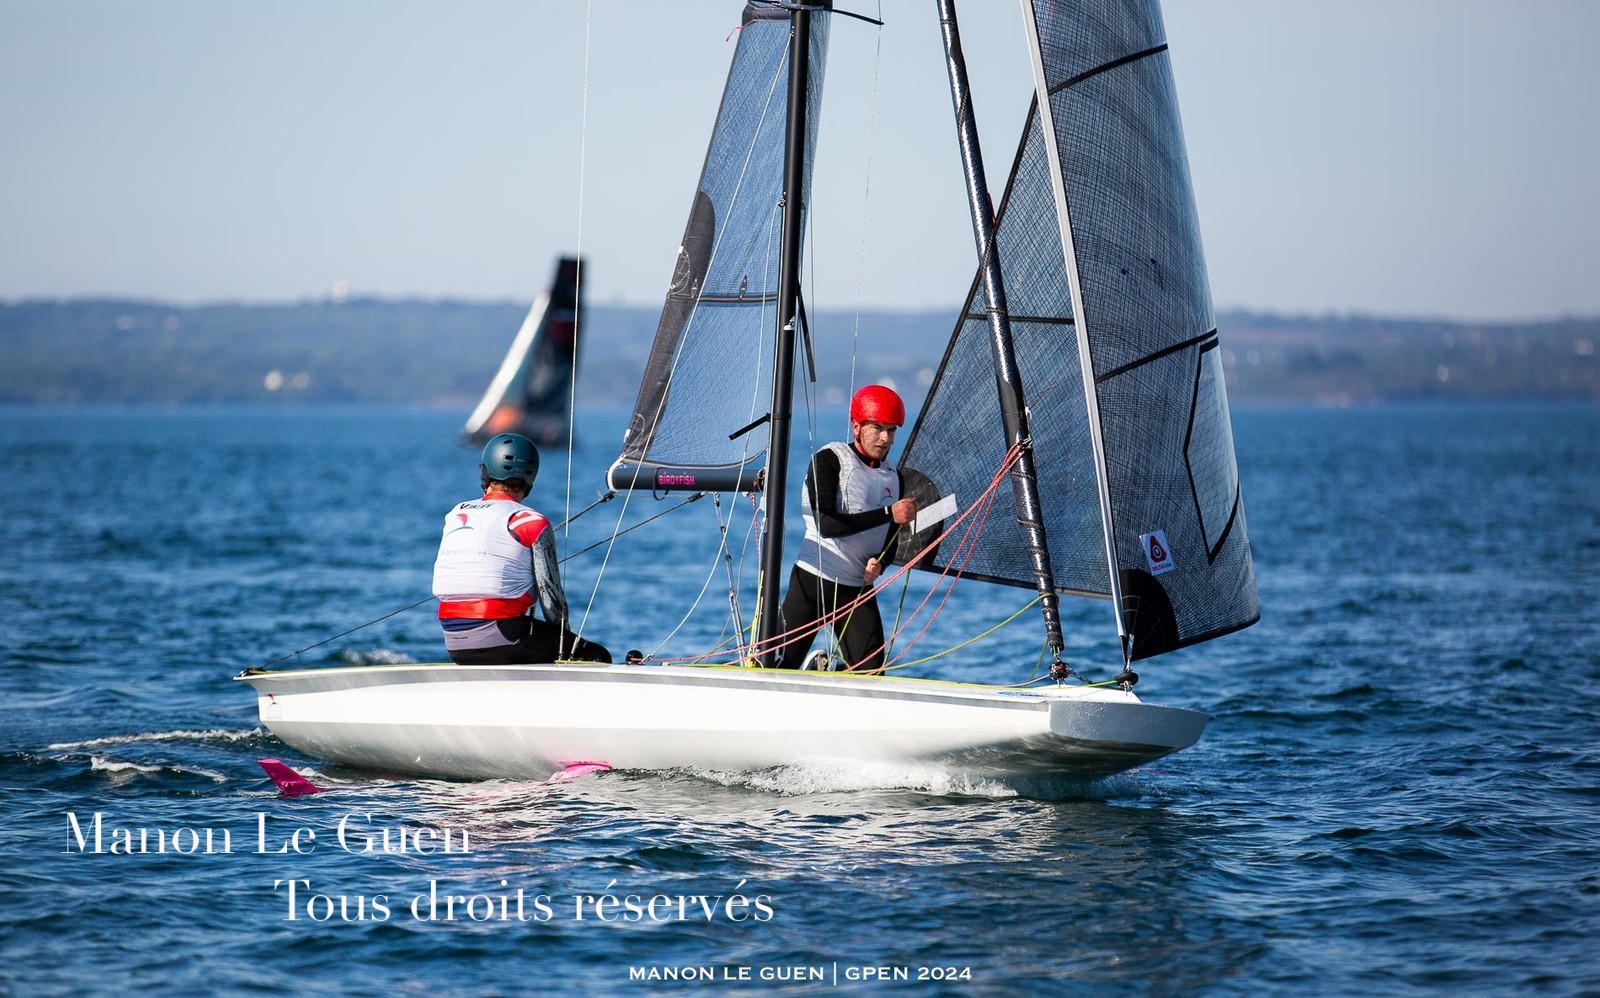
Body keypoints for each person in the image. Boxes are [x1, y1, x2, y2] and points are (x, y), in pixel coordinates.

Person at [770, 385, 918, 673]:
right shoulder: (830, 459)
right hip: (814, 581)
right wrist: (888, 512)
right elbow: (826, 524)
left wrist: (881, 563)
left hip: (856, 590)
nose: (885, 438)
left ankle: (823, 672)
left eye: (891, 430)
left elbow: (891, 536)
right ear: (856, 426)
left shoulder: (893, 478)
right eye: (877, 428)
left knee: (872, 673)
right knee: (779, 667)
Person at [432, 432, 611, 665]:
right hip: (503, 637)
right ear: (530, 479)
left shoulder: (456, 513)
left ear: (485, 472)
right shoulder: (530, 520)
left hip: (454, 642)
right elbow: (552, 602)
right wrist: (565, 642)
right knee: (597, 655)